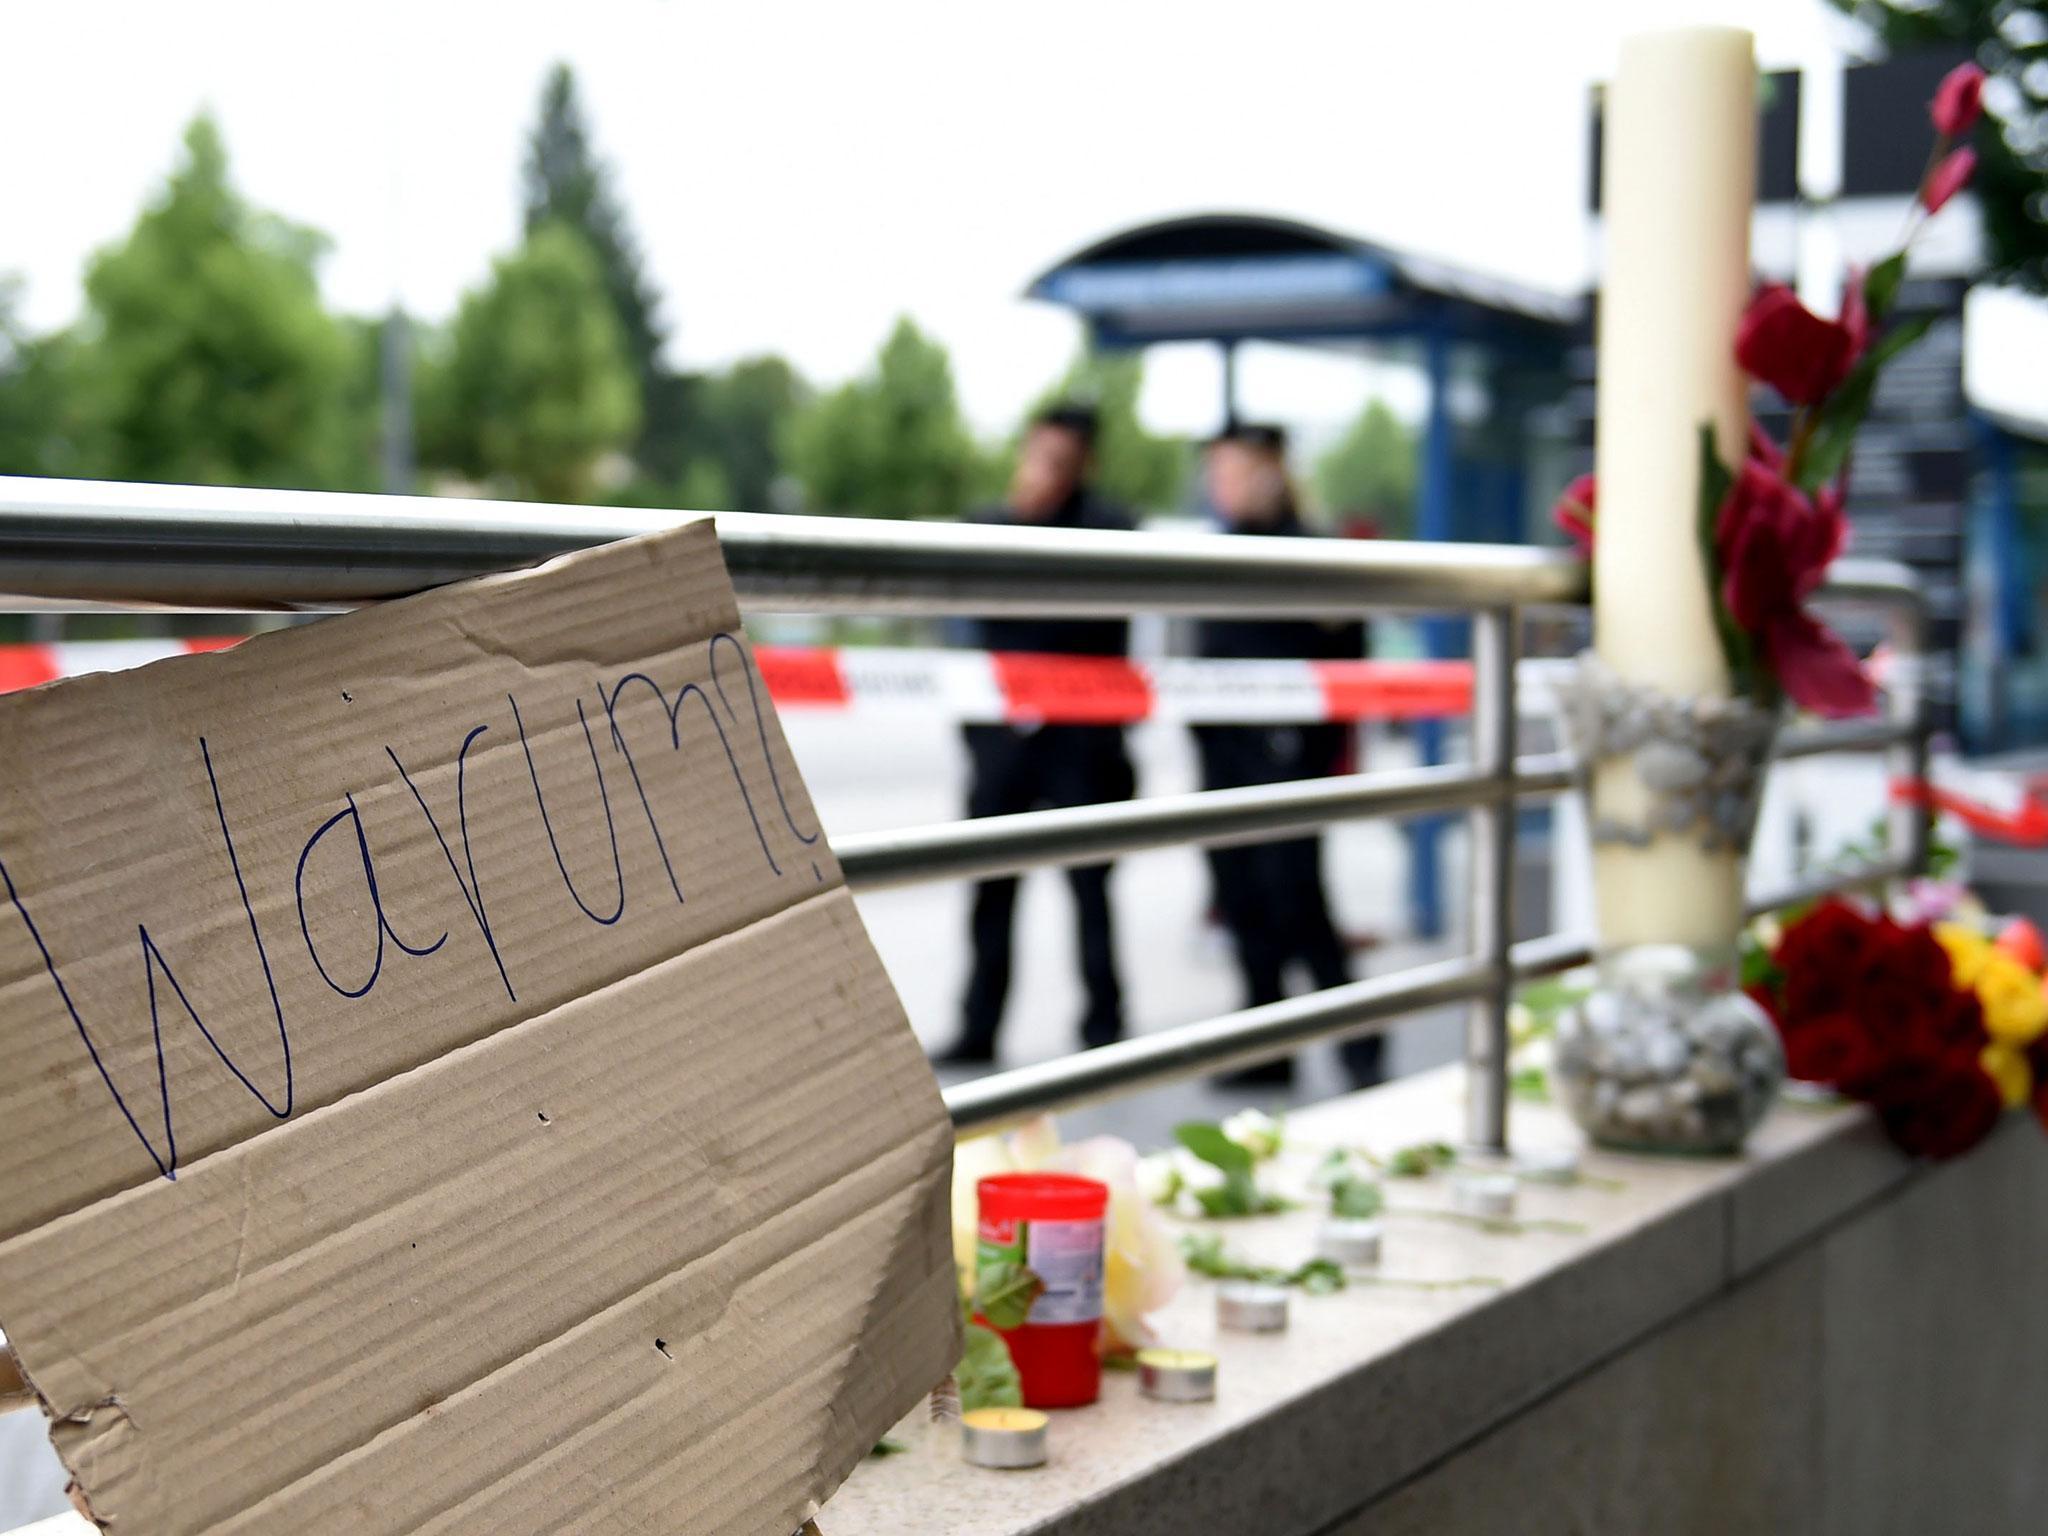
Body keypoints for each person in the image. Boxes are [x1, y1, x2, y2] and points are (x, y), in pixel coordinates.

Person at [930, 404, 1136, 1067]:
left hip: (1080, 745)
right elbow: (964, 627)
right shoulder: (988, 526)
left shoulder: (1109, 530)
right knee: (991, 888)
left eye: (1062, 458)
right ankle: (979, 1024)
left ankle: (1104, 1027)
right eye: (1039, 453)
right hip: (1005, 745)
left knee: (1089, 891)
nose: (1046, 468)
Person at [1193, 422, 1381, 1090]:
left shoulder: (1311, 552)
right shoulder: (1217, 554)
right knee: (1241, 901)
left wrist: (1315, 746)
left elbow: (1348, 659)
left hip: (1287, 754)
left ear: (1271, 471)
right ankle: (1267, 1047)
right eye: (1216, 472)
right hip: (1225, 754)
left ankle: (1361, 1046)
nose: (1222, 485)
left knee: (1297, 901)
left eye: (1235, 470)